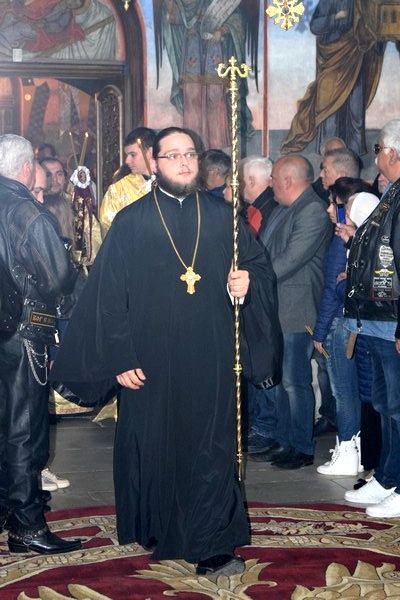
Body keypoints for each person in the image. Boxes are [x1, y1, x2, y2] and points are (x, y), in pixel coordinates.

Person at [50, 126, 282, 575]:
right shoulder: (132, 221)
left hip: (210, 355)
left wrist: (246, 282)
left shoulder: (222, 217)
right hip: (149, 360)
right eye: (172, 155)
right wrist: (120, 356)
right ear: (155, 164)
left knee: (211, 447)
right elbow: (108, 297)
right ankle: (158, 524)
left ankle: (214, 544)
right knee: (156, 444)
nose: (183, 162)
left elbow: (256, 266)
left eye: (190, 154)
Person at [0, 134, 81, 554]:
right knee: (24, 428)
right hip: (24, 332)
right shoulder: (26, 212)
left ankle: (6, 509)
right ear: (27, 167)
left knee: (5, 424)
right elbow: (59, 277)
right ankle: (27, 525)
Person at [251, 155, 332, 469]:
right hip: (279, 309)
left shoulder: (312, 210)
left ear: (288, 180)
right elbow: (264, 252)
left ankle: (301, 446)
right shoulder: (285, 209)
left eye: (273, 178)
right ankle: (284, 440)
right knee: (284, 382)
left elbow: (291, 259)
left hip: (298, 311)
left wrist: (255, 279)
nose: (270, 183)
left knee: (295, 382)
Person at [340, 119, 400, 518]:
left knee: (397, 406)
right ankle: (388, 475)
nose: (375, 157)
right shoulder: (391, 193)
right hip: (377, 319)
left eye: (378, 149)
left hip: (392, 319)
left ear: (392, 152)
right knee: (384, 403)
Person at [313, 181, 379, 476]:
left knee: (345, 392)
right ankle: (351, 447)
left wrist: (320, 330)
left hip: (342, 322)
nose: (330, 210)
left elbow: (337, 289)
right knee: (351, 391)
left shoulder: (350, 241)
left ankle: (349, 448)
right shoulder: (350, 239)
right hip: (345, 321)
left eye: (336, 205)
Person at [281, 0, 384, 156]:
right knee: (329, 109)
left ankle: (354, 155)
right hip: (333, 59)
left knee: (355, 109)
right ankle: (329, 153)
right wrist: (335, 17)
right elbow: (315, 26)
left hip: (356, 58)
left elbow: (374, 25)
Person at [99, 127, 155, 234]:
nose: (127, 161)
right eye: (127, 155)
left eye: (133, 155)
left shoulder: (171, 183)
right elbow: (108, 225)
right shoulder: (118, 191)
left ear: (150, 152)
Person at [241, 156, 277, 238]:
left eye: (239, 180)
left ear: (251, 181)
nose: (236, 186)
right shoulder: (256, 205)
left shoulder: (267, 210)